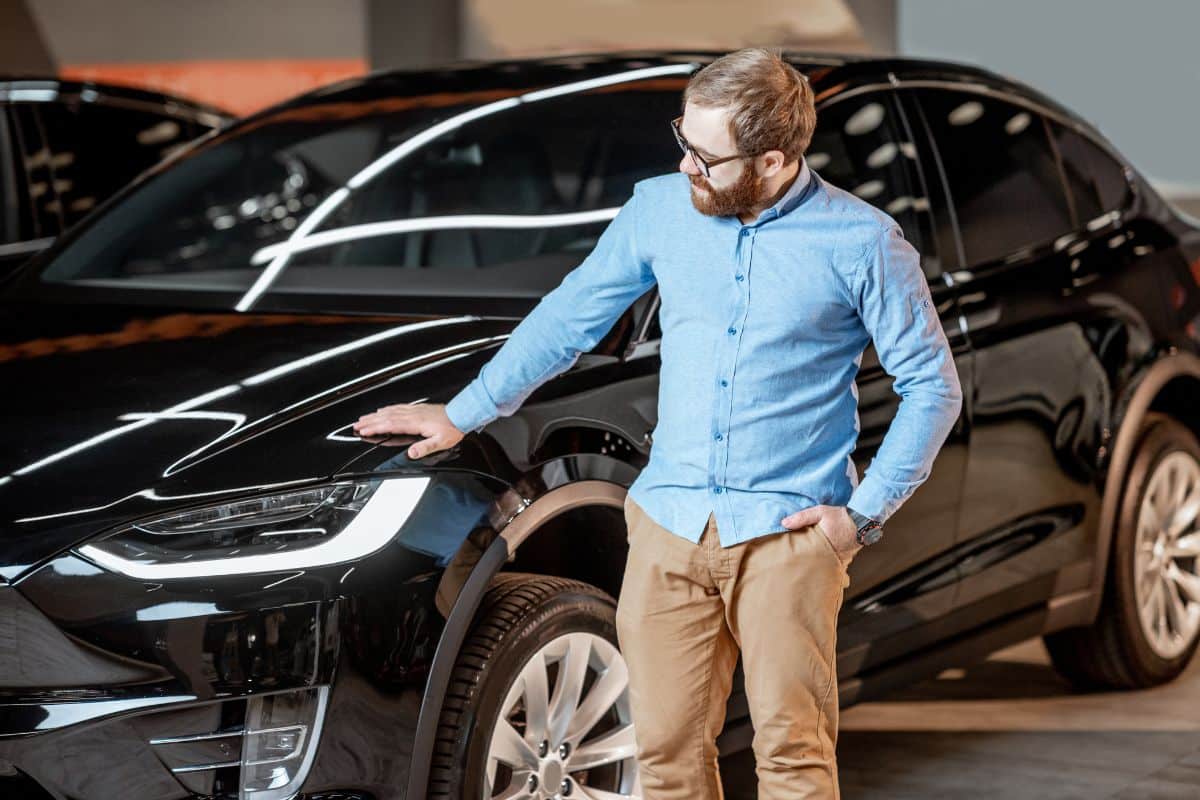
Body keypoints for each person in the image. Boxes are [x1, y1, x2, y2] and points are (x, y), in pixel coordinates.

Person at [354, 47, 962, 799]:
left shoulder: (863, 243)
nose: (686, 169)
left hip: (788, 537)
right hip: (669, 525)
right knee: (667, 756)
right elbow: (569, 318)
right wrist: (464, 411)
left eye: (706, 157)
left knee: (792, 757)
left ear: (773, 160)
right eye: (684, 140)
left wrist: (860, 519)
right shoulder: (658, 211)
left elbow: (933, 388)